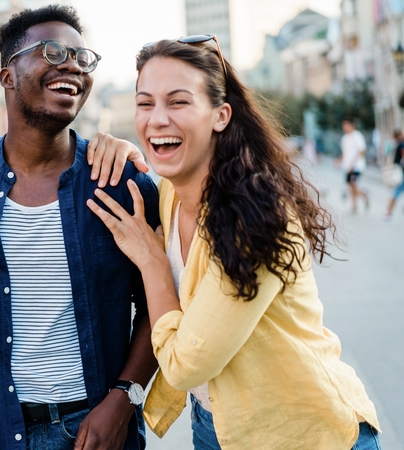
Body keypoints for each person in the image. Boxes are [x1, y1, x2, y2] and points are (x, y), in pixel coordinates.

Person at [87, 37, 381, 449]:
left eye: (177, 102)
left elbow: (183, 366)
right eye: (145, 103)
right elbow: (149, 157)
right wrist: (111, 147)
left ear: (221, 115)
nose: (156, 119)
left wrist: (152, 261)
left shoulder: (255, 216)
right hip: (218, 426)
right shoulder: (174, 192)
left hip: (302, 432)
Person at [0, 5, 159, 450]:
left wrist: (124, 400)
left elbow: (160, 305)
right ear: (8, 75)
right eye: (53, 50)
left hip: (98, 429)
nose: (72, 66)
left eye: (83, 58)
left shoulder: (122, 183)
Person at [340, 117, 370, 214]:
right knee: (351, 185)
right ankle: (356, 204)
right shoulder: (344, 138)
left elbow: (362, 150)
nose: (345, 127)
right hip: (348, 167)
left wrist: (354, 163)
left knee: (353, 184)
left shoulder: (357, 136)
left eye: (347, 125)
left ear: (352, 125)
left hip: (356, 167)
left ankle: (361, 199)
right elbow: (345, 152)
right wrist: (338, 160)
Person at [384, 129, 404, 221]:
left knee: (397, 191)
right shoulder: (401, 144)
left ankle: (388, 212)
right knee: (397, 191)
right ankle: (388, 212)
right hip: (401, 172)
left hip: (397, 170)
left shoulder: (394, 144)